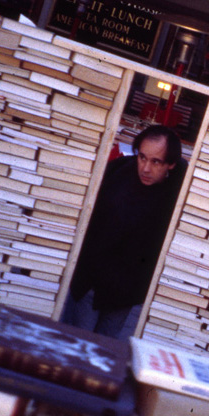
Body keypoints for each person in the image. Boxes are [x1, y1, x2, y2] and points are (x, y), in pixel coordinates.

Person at [62, 125, 186, 340]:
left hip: (126, 292)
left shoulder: (175, 191)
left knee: (105, 349)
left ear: (171, 164)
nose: (145, 168)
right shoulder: (118, 172)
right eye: (142, 157)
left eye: (156, 162)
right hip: (91, 284)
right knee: (76, 342)